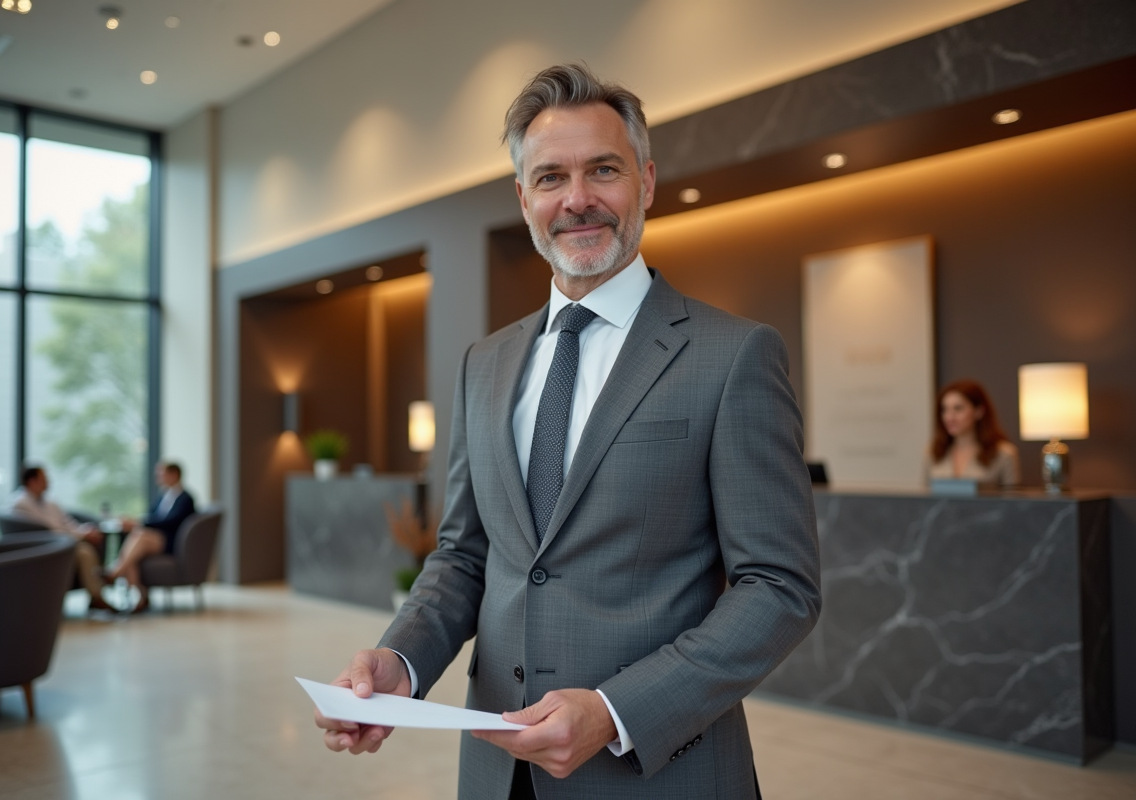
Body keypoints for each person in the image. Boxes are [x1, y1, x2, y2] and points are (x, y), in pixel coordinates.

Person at [314, 63, 821, 799]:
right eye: (551, 177)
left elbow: (778, 587)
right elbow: (464, 556)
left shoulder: (733, 355)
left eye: (603, 170)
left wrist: (616, 711)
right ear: (525, 199)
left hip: (661, 775)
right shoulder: (483, 364)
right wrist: (401, 663)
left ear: (647, 182)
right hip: (496, 772)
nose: (577, 199)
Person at [8, 465, 117, 613]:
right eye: (44, 478)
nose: (48, 482)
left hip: (67, 540)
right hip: (49, 548)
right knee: (85, 553)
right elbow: (48, 531)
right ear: (32, 481)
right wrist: (80, 535)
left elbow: (67, 522)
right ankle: (97, 596)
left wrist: (84, 530)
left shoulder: (50, 502)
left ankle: (99, 588)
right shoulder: (21, 504)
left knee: (91, 543)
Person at [106, 461, 195, 613]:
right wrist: (135, 522)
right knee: (132, 555)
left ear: (174, 474)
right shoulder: (163, 496)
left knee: (139, 536)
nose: (158, 477)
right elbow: (152, 516)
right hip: (153, 540)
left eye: (161, 474)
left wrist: (138, 523)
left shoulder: (186, 498)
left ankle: (115, 571)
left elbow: (171, 522)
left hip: (171, 541)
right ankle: (141, 598)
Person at [926, 379, 1020, 487]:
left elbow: (1012, 496)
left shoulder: (1004, 454)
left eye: (958, 408)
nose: (949, 417)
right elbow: (924, 495)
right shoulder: (933, 452)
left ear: (979, 411)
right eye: (944, 410)